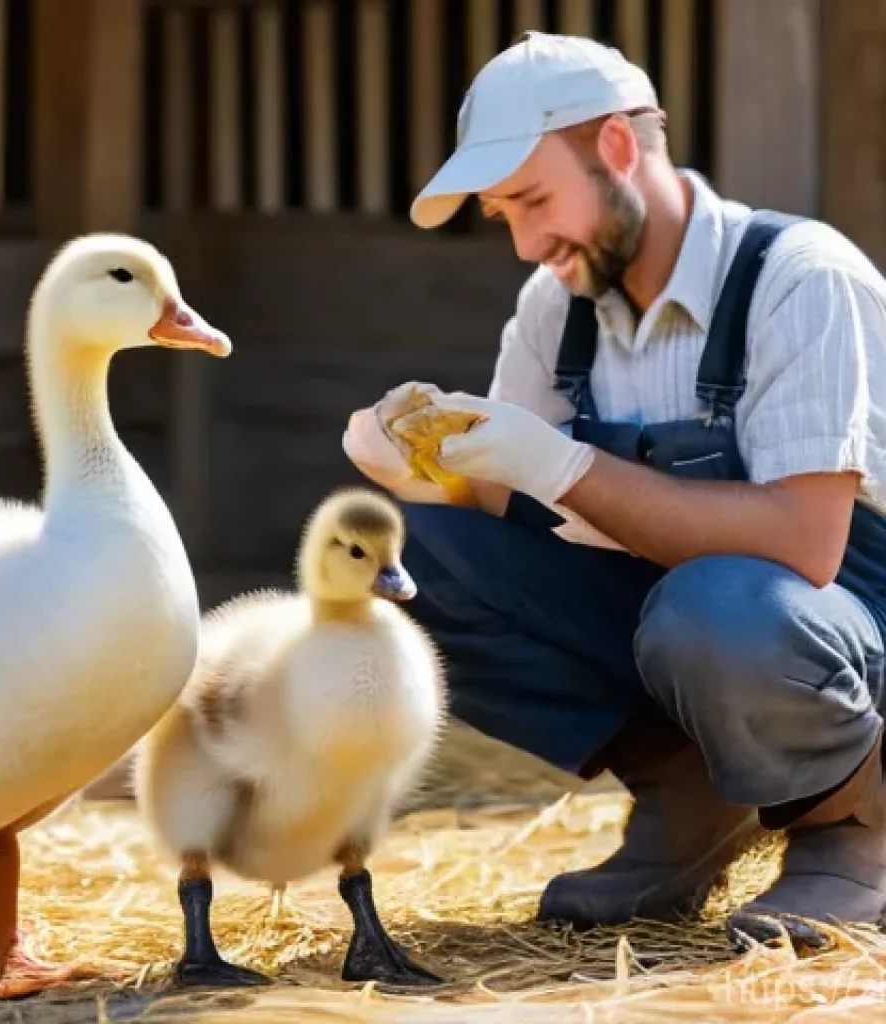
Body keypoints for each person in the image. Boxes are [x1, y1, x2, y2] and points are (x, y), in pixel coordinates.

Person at [343, 31, 886, 950]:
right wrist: (429, 475)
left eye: (534, 201)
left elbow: (804, 544)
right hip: (684, 621)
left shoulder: (800, 279)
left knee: (715, 606)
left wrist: (560, 464)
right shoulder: (558, 307)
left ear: (618, 150)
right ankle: (689, 793)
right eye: (500, 211)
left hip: (834, 624)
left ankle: (852, 826)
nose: (524, 242)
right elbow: (523, 516)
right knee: (400, 559)